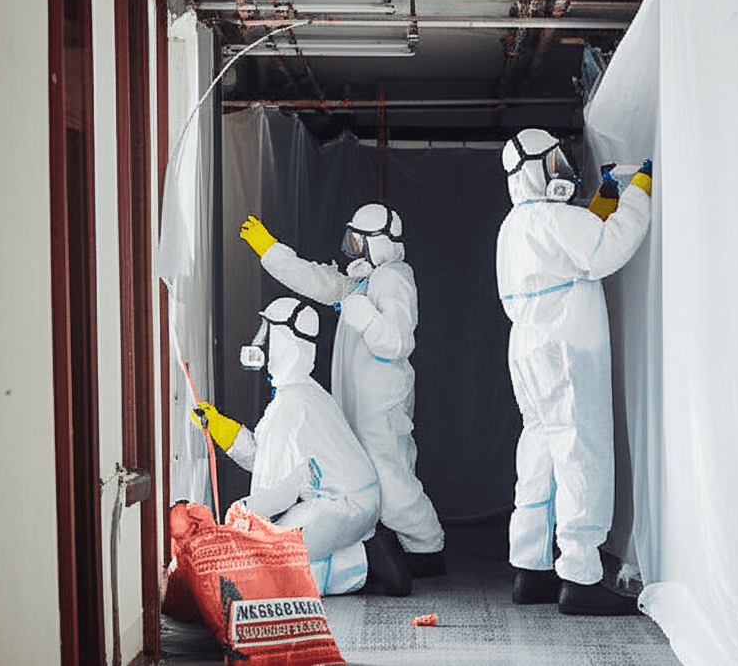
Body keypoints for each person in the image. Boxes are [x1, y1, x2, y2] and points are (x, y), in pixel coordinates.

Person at [238, 203, 446, 578]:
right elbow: (316, 280)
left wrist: (360, 312)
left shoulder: (395, 277)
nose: (351, 249)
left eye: (358, 241)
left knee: (390, 478)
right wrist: (270, 250)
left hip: (381, 401)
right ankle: (401, 544)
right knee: (371, 474)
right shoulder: (364, 281)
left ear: (379, 243)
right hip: (360, 399)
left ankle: (428, 547)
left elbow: (396, 342)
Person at [496, 128, 652, 615]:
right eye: (555, 162)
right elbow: (606, 250)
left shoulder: (515, 224)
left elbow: (575, 248)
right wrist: (638, 196)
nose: (563, 170)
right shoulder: (551, 218)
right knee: (580, 447)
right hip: (565, 345)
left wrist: (604, 201)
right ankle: (581, 575)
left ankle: (532, 569)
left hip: (527, 345)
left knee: (540, 449)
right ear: (538, 169)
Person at [191, 297, 411, 596]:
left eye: (266, 334)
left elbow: (274, 489)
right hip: (353, 501)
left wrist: (240, 517)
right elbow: (264, 455)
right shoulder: (303, 391)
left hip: (338, 506)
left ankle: (367, 560)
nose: (260, 343)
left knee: (272, 566)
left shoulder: (291, 405)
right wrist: (219, 426)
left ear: (284, 342)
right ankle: (367, 555)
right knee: (270, 558)